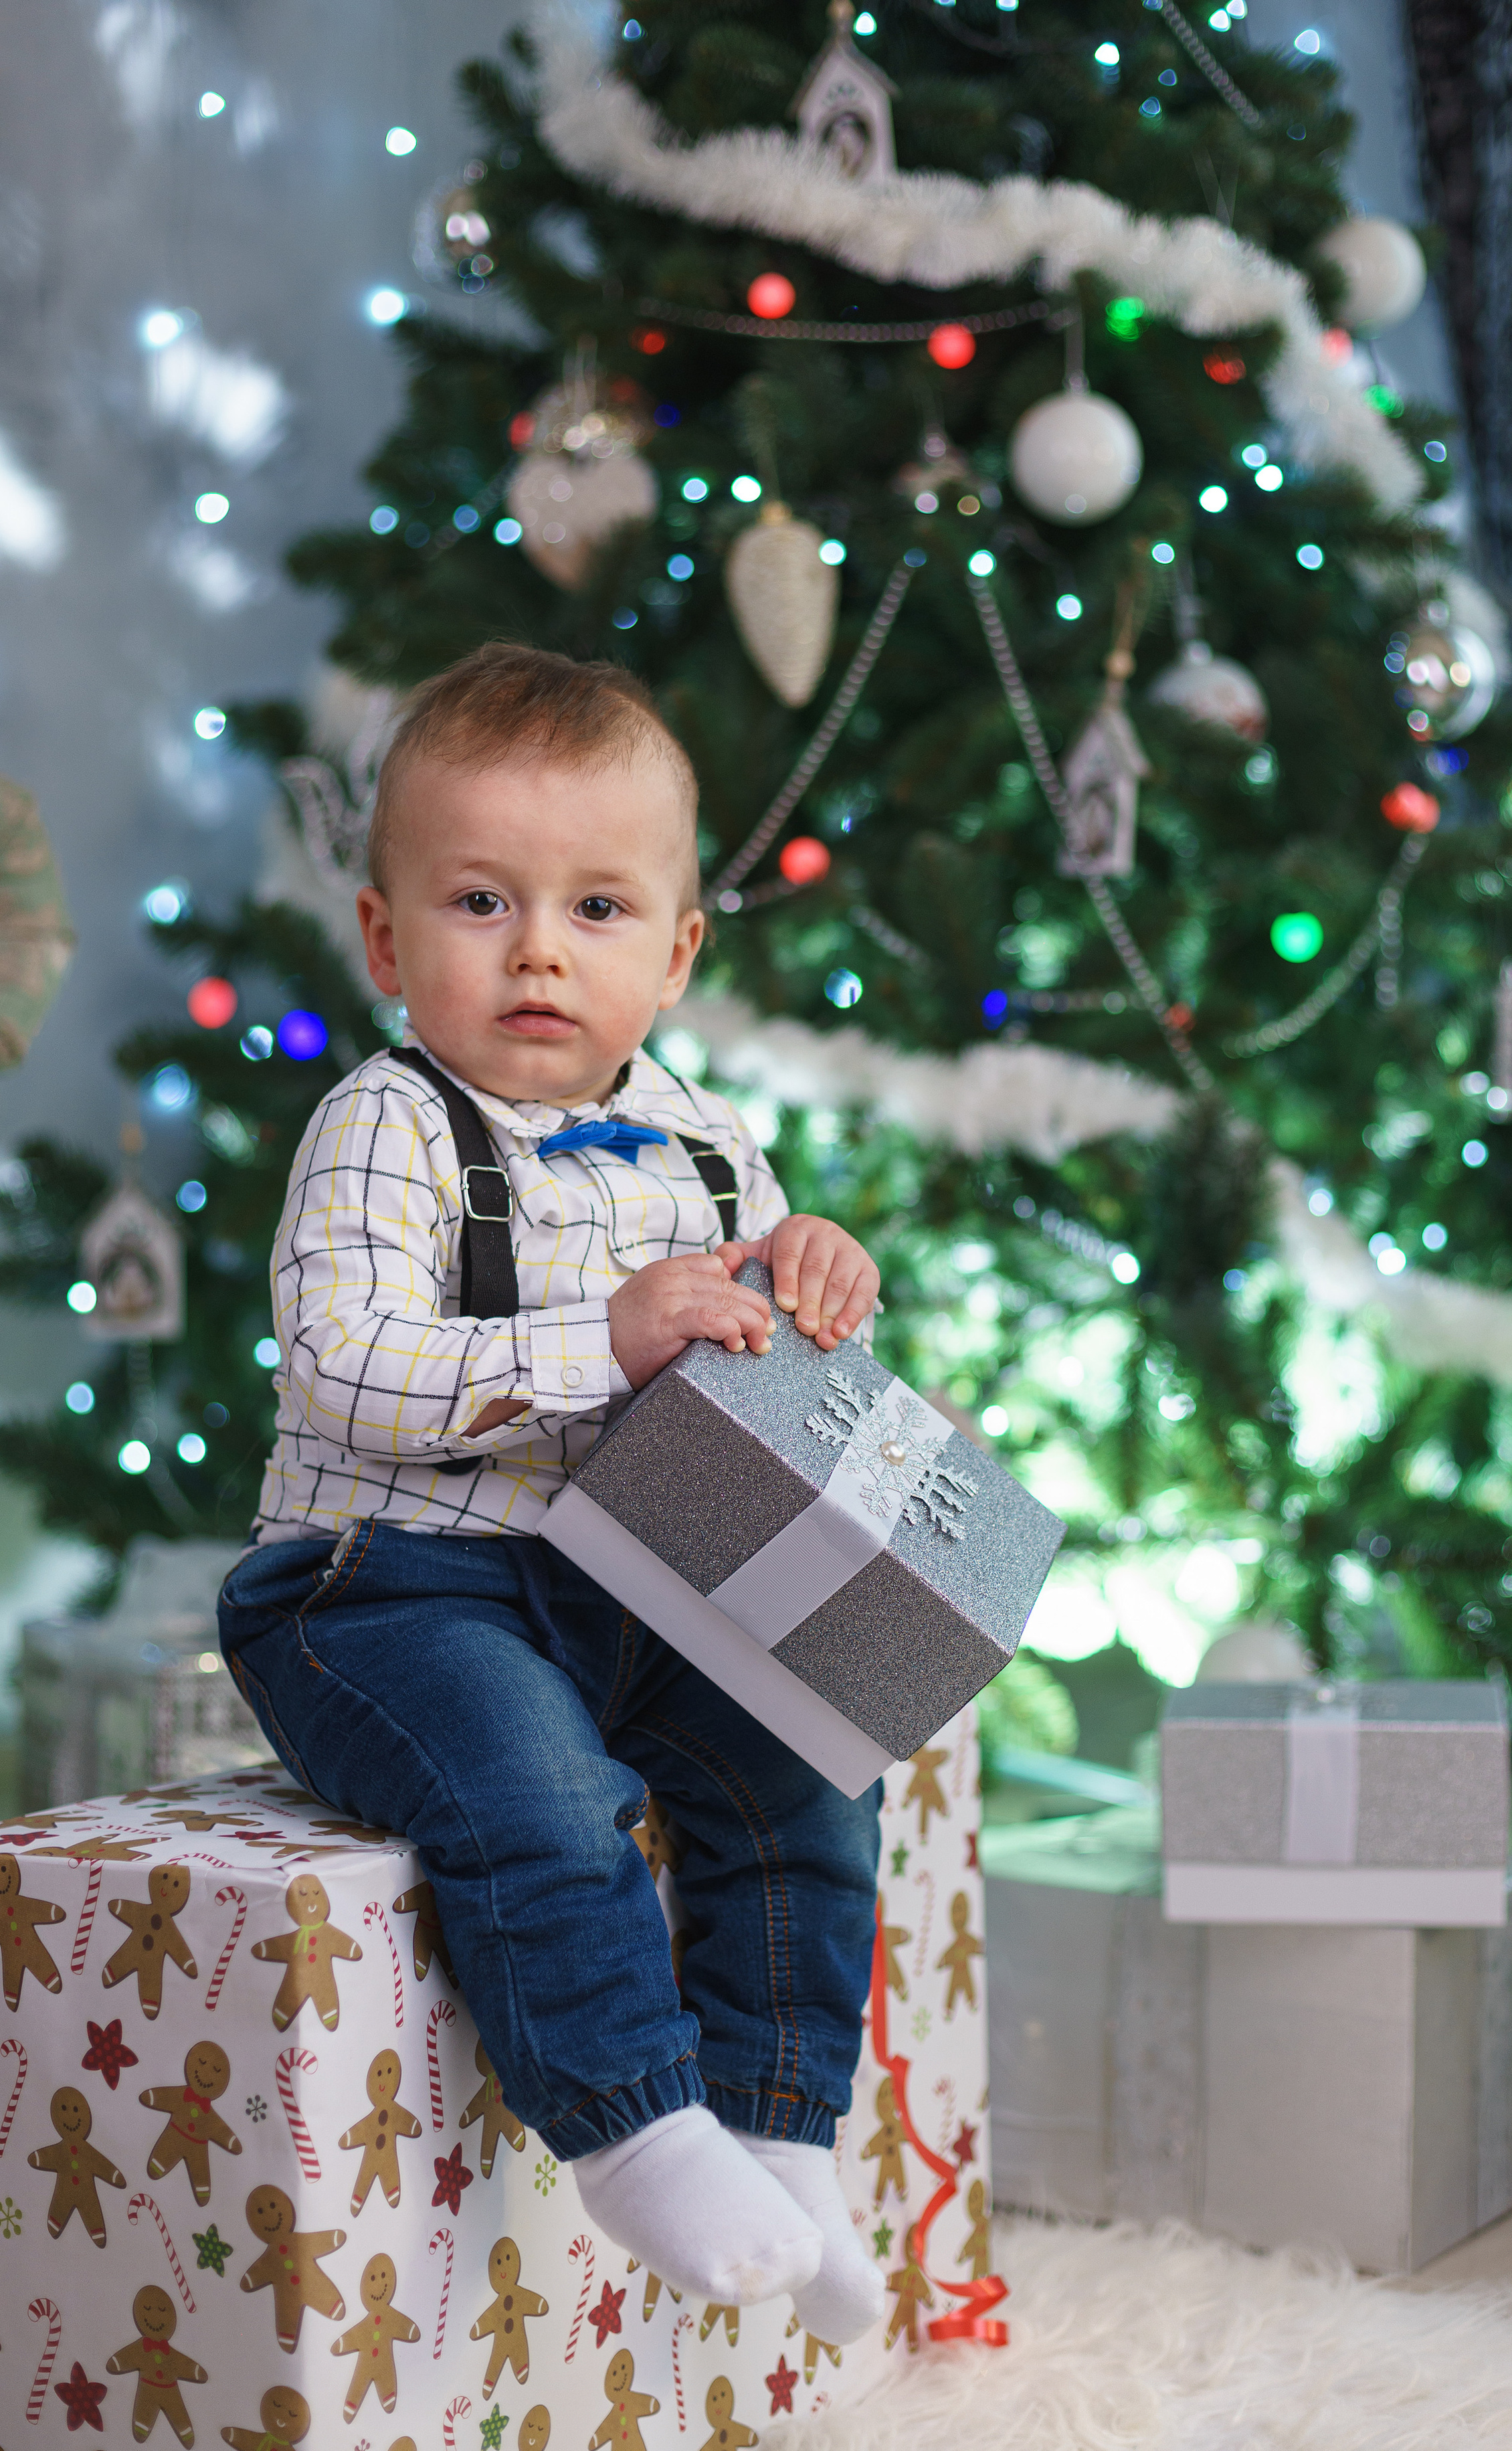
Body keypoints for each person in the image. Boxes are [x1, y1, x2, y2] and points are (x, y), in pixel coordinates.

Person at [217, 644, 886, 2345]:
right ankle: (631, 2124)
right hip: (385, 1582)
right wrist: (605, 1332)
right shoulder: (388, 1123)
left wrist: (803, 1270)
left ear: (673, 953)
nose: (534, 949)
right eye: (478, 900)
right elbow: (339, 1360)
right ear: (385, 940)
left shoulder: (711, 1143)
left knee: (802, 1749)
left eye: (594, 909)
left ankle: (777, 2119)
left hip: (632, 1590)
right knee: (535, 1783)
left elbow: (756, 1363)